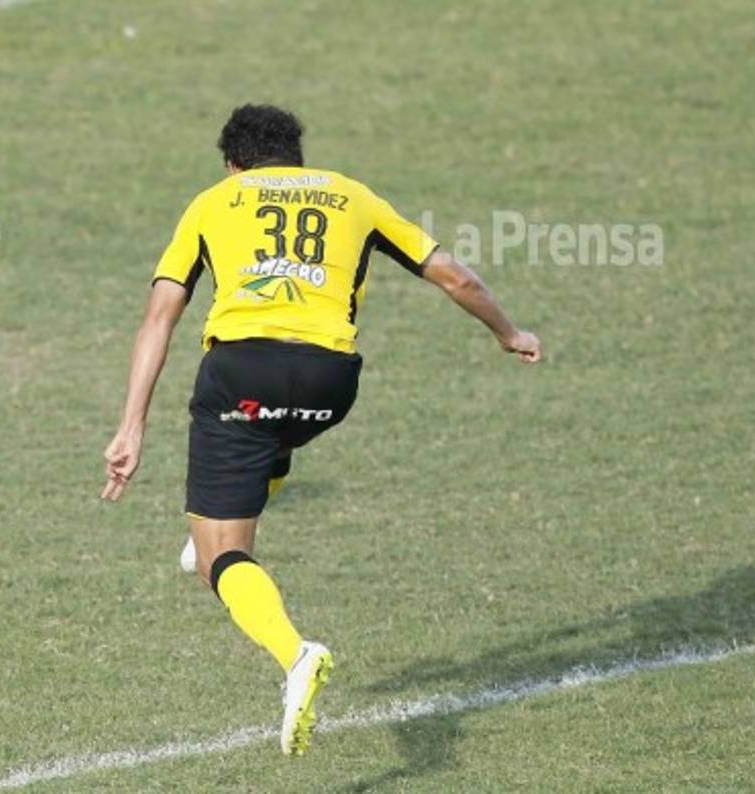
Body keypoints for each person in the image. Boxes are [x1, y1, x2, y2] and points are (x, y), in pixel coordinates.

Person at [100, 104, 541, 753]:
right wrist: (510, 332)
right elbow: (457, 276)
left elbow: (159, 316)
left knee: (222, 557)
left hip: (241, 377)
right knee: (275, 438)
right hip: (330, 385)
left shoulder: (215, 201)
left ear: (234, 164)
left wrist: (131, 425)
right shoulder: (350, 195)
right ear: (296, 157)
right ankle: (236, 509)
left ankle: (295, 653)